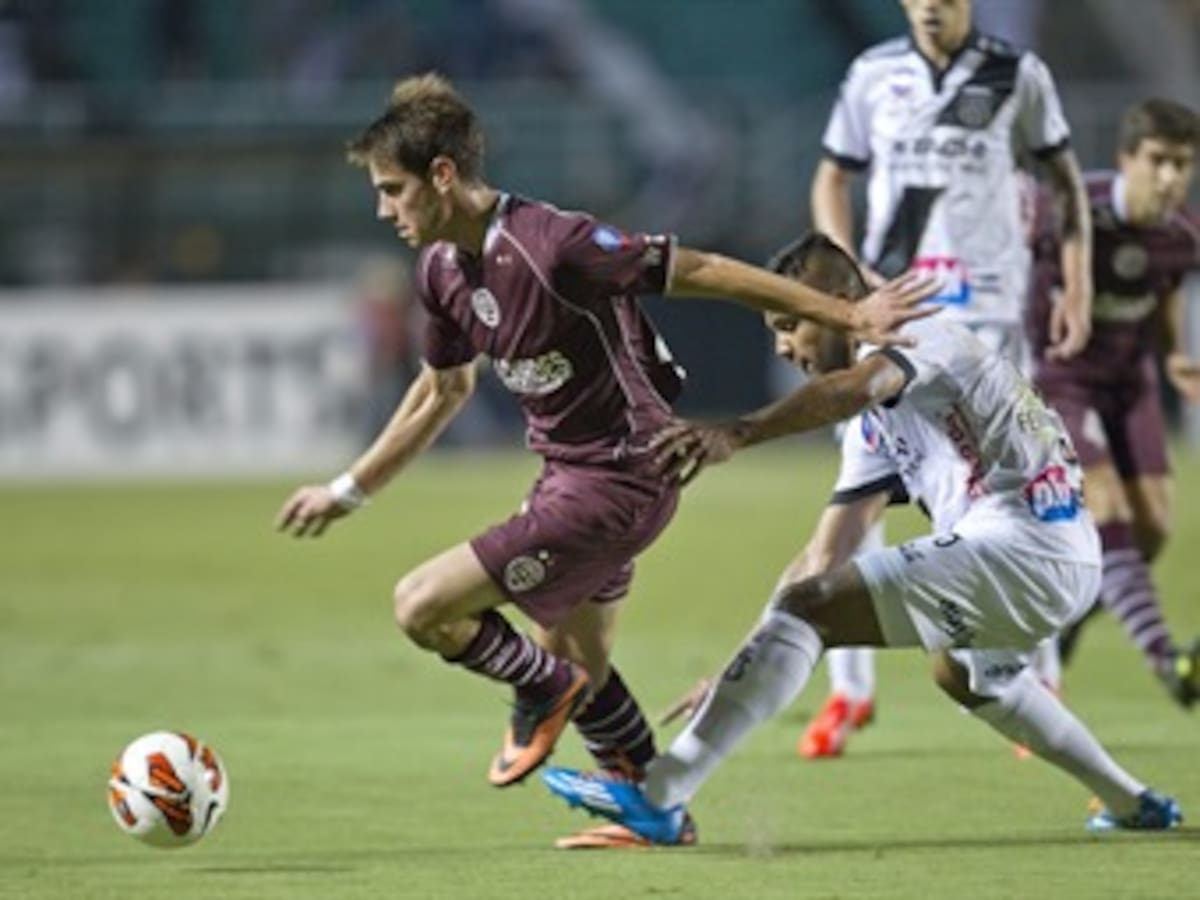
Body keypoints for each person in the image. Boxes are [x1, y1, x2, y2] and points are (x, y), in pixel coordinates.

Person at [273, 74, 936, 849]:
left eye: (393, 190)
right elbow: (439, 392)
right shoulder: (443, 273)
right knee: (583, 667)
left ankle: (547, 690)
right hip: (569, 477)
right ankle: (655, 812)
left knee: (423, 606)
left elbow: (704, 269)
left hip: (625, 473)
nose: (384, 210)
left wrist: (846, 313)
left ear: (443, 176)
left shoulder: (554, 243)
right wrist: (348, 491)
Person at [543, 233, 1181, 843]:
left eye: (789, 325)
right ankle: (1132, 802)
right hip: (1042, 555)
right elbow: (822, 556)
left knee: (814, 612)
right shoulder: (872, 432)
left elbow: (855, 388)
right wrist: (745, 665)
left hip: (1028, 545)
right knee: (962, 673)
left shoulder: (922, 334)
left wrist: (737, 432)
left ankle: (659, 797)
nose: (785, 349)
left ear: (834, 305)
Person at [801, 0, 1093, 757]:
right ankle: (847, 695)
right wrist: (848, 276)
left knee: (1012, 494)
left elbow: (1063, 178)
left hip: (989, 319)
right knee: (858, 497)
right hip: (892, 320)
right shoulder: (873, 75)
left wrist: (1077, 283)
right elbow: (831, 176)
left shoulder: (1016, 73)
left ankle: (1036, 679)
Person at [1029, 97, 1200, 706]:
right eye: (1158, 161)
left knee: (1152, 526)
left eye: (1183, 164)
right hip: (1056, 377)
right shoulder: (1072, 209)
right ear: (1127, 159)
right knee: (1104, 504)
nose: (1171, 177)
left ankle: (1065, 623)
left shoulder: (1183, 235)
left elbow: (1167, 285)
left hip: (1130, 380)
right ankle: (1167, 660)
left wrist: (1177, 354)